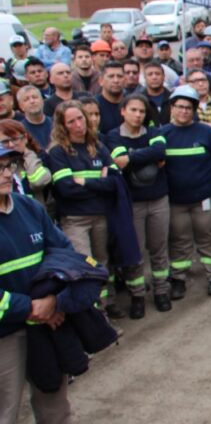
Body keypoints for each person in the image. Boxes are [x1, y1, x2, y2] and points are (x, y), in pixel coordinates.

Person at [0, 144, 97, 424]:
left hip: (45, 321)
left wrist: (55, 299)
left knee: (52, 388)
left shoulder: (30, 208)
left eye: (8, 166)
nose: (7, 173)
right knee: (5, 410)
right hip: (7, 332)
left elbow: (62, 255)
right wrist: (32, 308)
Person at [47, 100, 123, 317]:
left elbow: (115, 183)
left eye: (80, 118)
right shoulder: (58, 153)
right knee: (85, 267)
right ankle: (93, 316)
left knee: (103, 263)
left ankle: (106, 305)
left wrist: (84, 182)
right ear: (63, 125)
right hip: (75, 219)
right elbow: (66, 189)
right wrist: (99, 183)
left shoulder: (97, 146)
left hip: (101, 215)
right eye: (71, 121)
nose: (78, 124)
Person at [161, 86, 211, 299]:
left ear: (194, 110)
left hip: (206, 198)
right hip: (176, 201)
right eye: (179, 107)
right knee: (179, 240)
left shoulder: (206, 133)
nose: (184, 111)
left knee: (208, 238)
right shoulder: (162, 135)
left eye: (188, 108)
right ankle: (178, 278)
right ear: (172, 108)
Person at [107, 94, 171, 317]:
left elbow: (160, 151)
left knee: (159, 248)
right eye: (133, 110)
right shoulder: (113, 137)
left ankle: (162, 291)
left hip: (158, 199)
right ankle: (138, 296)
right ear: (123, 111)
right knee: (135, 253)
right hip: (132, 204)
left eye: (142, 111)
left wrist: (132, 157)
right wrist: (147, 156)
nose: (138, 115)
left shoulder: (154, 132)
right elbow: (119, 161)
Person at [0, 119, 50, 201]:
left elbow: (38, 182)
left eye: (15, 139)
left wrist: (27, 154)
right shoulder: (6, 166)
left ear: (25, 138)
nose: (11, 145)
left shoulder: (40, 156)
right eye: (5, 141)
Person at [15, 86, 53, 150]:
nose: (32, 101)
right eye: (26, 99)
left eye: (35, 97)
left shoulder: (56, 123)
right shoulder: (20, 130)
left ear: (42, 101)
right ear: (21, 106)